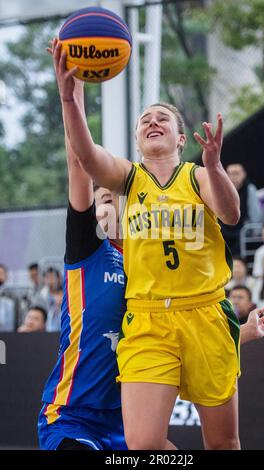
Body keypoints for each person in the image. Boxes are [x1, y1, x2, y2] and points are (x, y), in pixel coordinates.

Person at [52, 40, 264, 451]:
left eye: (162, 118)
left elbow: (232, 213)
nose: (152, 121)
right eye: (145, 120)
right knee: (143, 445)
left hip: (205, 312)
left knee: (223, 442)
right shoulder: (128, 178)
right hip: (148, 319)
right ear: (136, 139)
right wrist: (69, 98)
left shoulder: (197, 176)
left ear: (180, 138)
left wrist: (216, 167)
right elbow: (86, 155)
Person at [37, 54, 127, 450]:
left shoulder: (154, 264)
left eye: (110, 197)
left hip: (131, 421)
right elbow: (78, 162)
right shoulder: (89, 248)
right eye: (99, 199)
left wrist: (245, 332)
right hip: (72, 417)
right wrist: (74, 91)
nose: (102, 206)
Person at [220, 163, 263, 255]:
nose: (233, 177)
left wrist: (254, 231)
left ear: (244, 174)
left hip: (243, 227)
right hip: (224, 226)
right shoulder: (221, 189)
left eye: (236, 173)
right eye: (230, 173)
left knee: (243, 235)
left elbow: (255, 214)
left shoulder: (250, 189)